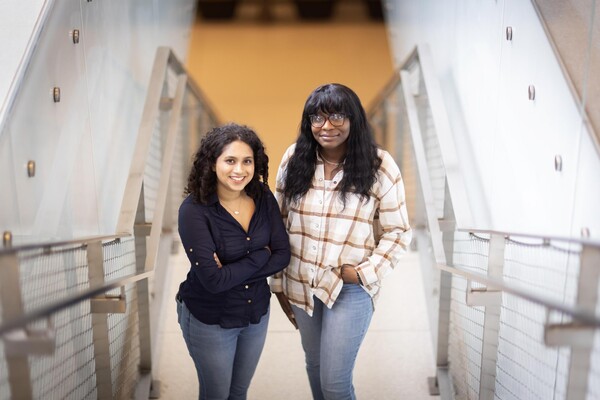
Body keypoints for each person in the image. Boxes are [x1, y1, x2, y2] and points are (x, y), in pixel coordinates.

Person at [271, 83, 412, 400]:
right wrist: (277, 284)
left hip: (348, 287)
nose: (326, 126)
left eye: (336, 115)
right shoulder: (294, 159)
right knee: (315, 366)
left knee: (335, 382)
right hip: (300, 283)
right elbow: (278, 223)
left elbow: (399, 231)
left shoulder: (380, 165)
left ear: (354, 119)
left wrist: (365, 272)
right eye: (316, 118)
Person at [176, 123, 291, 400]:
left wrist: (231, 269)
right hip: (210, 317)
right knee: (216, 394)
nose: (239, 170)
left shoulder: (263, 197)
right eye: (230, 160)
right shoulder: (194, 211)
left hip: (256, 315)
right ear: (212, 163)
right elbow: (214, 282)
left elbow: (283, 255)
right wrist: (263, 254)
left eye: (247, 161)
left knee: (238, 393)